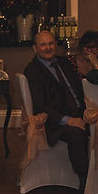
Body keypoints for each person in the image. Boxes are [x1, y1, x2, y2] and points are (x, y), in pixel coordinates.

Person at [24, 29, 89, 185]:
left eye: (51, 43)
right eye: (43, 45)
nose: (48, 48)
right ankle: (84, 181)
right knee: (78, 135)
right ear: (35, 48)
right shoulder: (33, 70)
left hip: (80, 113)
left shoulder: (64, 63)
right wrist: (68, 121)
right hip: (54, 122)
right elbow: (39, 105)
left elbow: (80, 89)